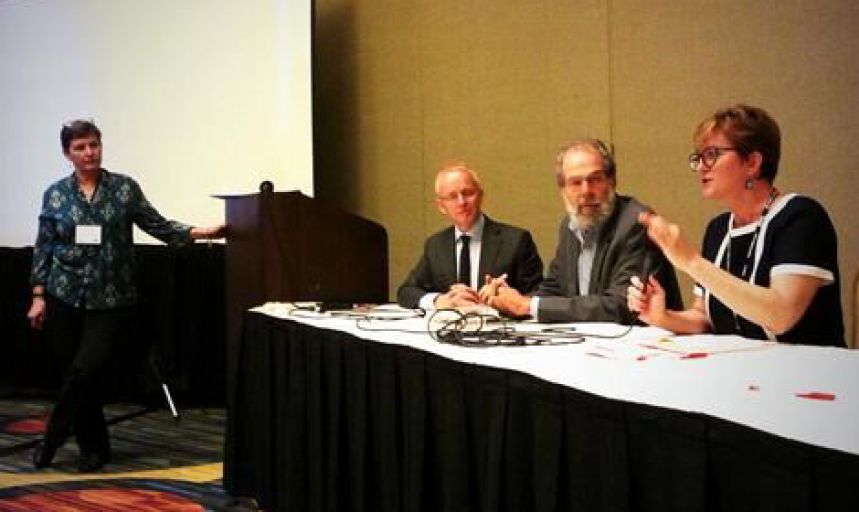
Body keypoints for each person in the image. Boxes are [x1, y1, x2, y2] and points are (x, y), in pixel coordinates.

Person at [27, 119, 227, 472]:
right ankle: (94, 449)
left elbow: (158, 225)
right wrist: (38, 294)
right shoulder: (56, 193)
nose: (89, 153)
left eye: (94, 145)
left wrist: (199, 232)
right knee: (75, 374)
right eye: (80, 147)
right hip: (64, 294)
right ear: (67, 154)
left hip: (111, 297)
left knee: (86, 370)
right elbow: (44, 246)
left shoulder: (123, 189)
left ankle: (52, 438)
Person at [627, 104, 844, 347]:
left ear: (752, 162)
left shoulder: (801, 218)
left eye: (711, 154)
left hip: (810, 375)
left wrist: (690, 262)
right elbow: (704, 318)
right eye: (698, 157)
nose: (700, 166)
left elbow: (780, 316)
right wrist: (662, 316)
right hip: (745, 373)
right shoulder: (718, 229)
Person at [484, 139, 682, 322]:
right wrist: (507, 299)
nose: (586, 191)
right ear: (563, 190)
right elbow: (554, 288)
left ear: (612, 181)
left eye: (595, 179)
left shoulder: (636, 223)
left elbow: (622, 305)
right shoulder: (570, 226)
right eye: (575, 183)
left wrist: (528, 306)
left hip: (644, 350)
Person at [397, 162, 543, 310]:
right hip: (450, 328)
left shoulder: (515, 241)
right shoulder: (436, 245)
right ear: (441, 206)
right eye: (452, 196)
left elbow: (539, 294)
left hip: (500, 328)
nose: (461, 202)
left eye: (467, 193)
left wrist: (506, 297)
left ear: (480, 196)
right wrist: (438, 300)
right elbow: (406, 291)